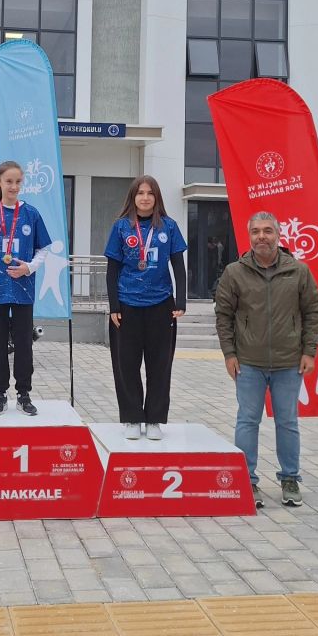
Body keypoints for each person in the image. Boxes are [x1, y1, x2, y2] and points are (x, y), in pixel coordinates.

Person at [214, 211, 318, 510]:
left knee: (287, 422)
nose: (262, 236)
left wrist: (309, 351)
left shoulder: (298, 271)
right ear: (249, 236)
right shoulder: (234, 272)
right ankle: (246, 480)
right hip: (248, 362)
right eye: (256, 231)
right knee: (247, 421)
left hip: (289, 362)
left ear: (278, 235)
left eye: (267, 231)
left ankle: (290, 479)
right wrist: (229, 354)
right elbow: (223, 316)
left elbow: (313, 312)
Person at [104, 175, 187, 441]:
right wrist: (114, 306)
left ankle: (154, 419)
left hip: (161, 305)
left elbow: (178, 266)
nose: (145, 198)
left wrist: (181, 301)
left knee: (159, 365)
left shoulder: (169, 227)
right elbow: (112, 269)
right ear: (133, 197)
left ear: (157, 197)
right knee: (126, 364)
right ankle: (131, 417)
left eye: (150, 193)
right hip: (126, 305)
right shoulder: (121, 227)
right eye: (140, 193)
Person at [0, 160, 52, 417]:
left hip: (22, 290)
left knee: (24, 343)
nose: (13, 186)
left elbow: (43, 249)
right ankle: (0, 393)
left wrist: (29, 267)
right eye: (9, 181)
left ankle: (24, 394)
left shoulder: (31, 214)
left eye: (18, 182)